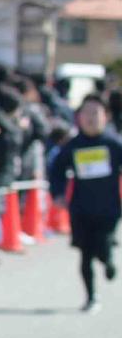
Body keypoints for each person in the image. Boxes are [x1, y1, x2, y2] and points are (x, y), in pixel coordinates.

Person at [47, 96, 122, 312]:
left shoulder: (113, 144)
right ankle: (91, 297)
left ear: (105, 116)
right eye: (86, 113)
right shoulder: (73, 146)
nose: (91, 118)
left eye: (96, 113)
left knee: (103, 245)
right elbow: (56, 171)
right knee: (85, 253)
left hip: (109, 208)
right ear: (78, 117)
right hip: (81, 208)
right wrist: (58, 193)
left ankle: (107, 261)